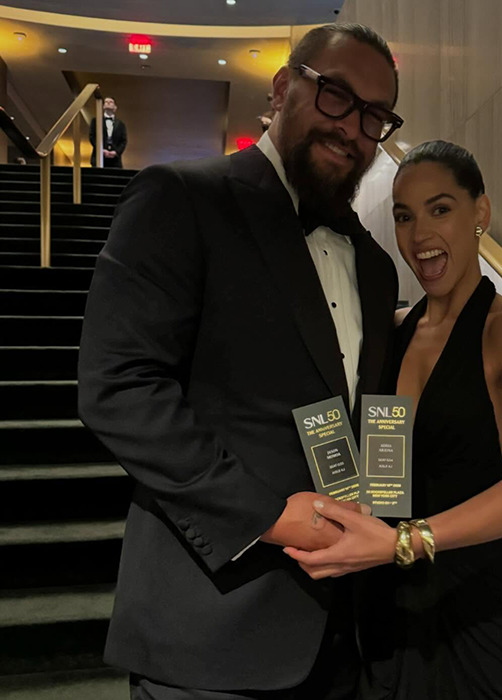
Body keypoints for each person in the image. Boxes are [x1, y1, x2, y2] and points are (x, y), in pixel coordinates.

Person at [78, 23, 403, 700]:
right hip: (211, 630)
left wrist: (386, 518)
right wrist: (267, 515)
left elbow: (365, 415)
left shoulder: (373, 264)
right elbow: (119, 389)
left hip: (345, 636)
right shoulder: (183, 197)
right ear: (283, 88)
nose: (354, 129)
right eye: (337, 97)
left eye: (376, 116)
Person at [285, 140, 502, 699]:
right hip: (391, 610)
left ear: (479, 214)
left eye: (440, 209)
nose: (420, 236)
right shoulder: (390, 332)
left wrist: (405, 543)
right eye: (404, 216)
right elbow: (375, 468)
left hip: (489, 614)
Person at [89, 96, 127, 167]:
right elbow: (92, 137)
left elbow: (123, 141)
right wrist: (101, 150)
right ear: (103, 106)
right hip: (98, 158)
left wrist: (116, 152)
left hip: (115, 161)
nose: (108, 103)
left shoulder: (121, 124)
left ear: (115, 108)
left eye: (111, 102)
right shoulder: (95, 121)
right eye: (106, 102)